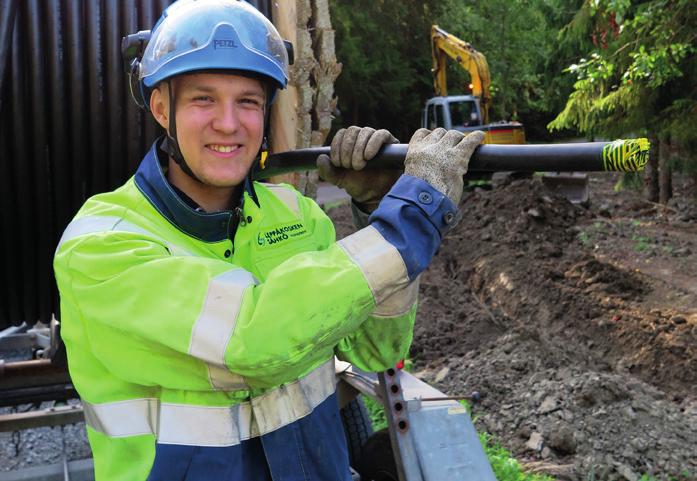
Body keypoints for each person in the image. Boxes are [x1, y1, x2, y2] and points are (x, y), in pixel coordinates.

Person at [53, 1, 484, 480]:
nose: (228, 123)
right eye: (203, 99)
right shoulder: (101, 246)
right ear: (160, 108)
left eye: (248, 101)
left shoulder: (297, 215)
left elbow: (376, 352)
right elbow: (251, 341)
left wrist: (373, 211)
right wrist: (409, 216)